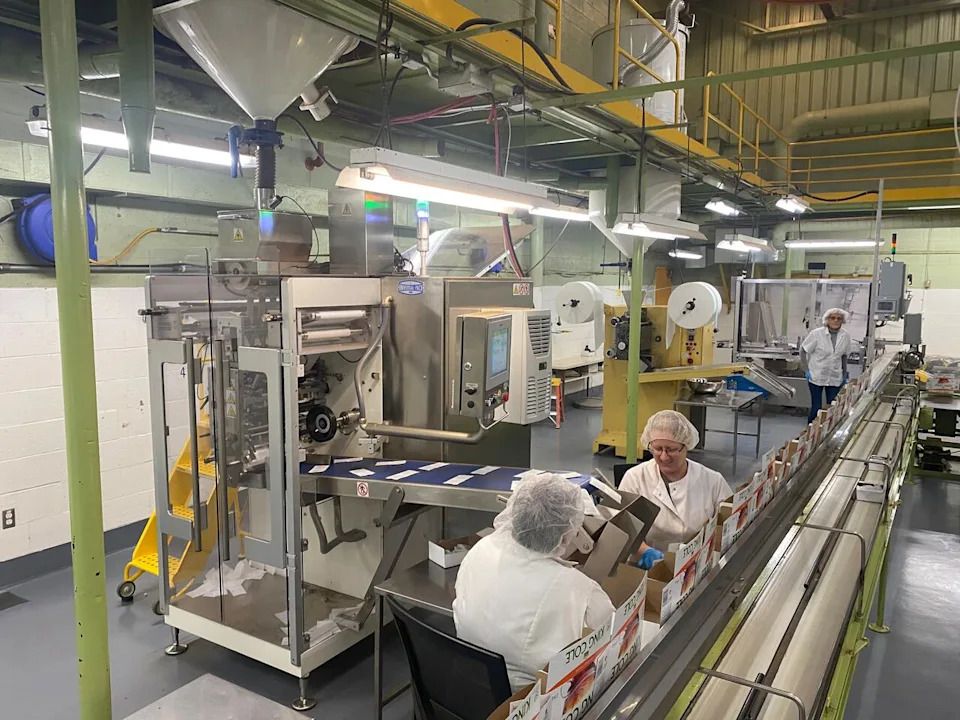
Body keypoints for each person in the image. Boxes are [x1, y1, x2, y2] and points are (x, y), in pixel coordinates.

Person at [453, 474, 615, 692]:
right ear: (567, 534)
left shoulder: (482, 548)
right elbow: (613, 633)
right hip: (530, 701)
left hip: (469, 684)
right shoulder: (579, 591)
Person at [619, 410, 733, 567]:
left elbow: (729, 522)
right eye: (657, 449)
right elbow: (623, 527)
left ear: (686, 446)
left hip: (699, 564)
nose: (664, 457)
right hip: (649, 568)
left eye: (671, 449)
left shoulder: (712, 481)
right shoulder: (635, 478)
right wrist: (644, 551)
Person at [801, 308, 852, 423]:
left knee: (832, 407)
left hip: (835, 376)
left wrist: (844, 373)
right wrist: (806, 370)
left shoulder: (845, 336)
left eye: (839, 318)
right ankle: (811, 430)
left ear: (843, 321)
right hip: (816, 375)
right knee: (816, 407)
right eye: (832, 318)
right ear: (827, 320)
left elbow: (844, 356)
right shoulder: (816, 334)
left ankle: (826, 431)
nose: (836, 320)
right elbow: (803, 350)